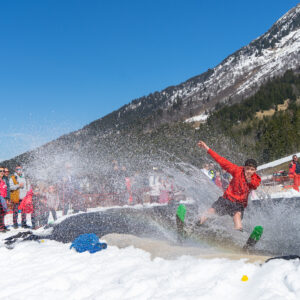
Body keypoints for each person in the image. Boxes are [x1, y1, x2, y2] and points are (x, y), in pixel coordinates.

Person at [197, 141, 261, 231]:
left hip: (238, 204)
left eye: (252, 170)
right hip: (226, 199)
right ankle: (198, 223)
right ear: (244, 167)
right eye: (247, 169)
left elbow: (254, 185)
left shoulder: (256, 178)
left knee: (237, 215)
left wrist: (249, 180)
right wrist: (207, 148)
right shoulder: (237, 170)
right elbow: (221, 160)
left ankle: (238, 231)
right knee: (211, 210)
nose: (249, 171)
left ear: (255, 170)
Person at [0, 167, 8, 232]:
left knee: (3, 213)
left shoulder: (3, 180)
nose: (2, 172)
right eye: (0, 171)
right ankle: (0, 227)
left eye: (3, 171)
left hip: (3, 198)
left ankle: (3, 225)